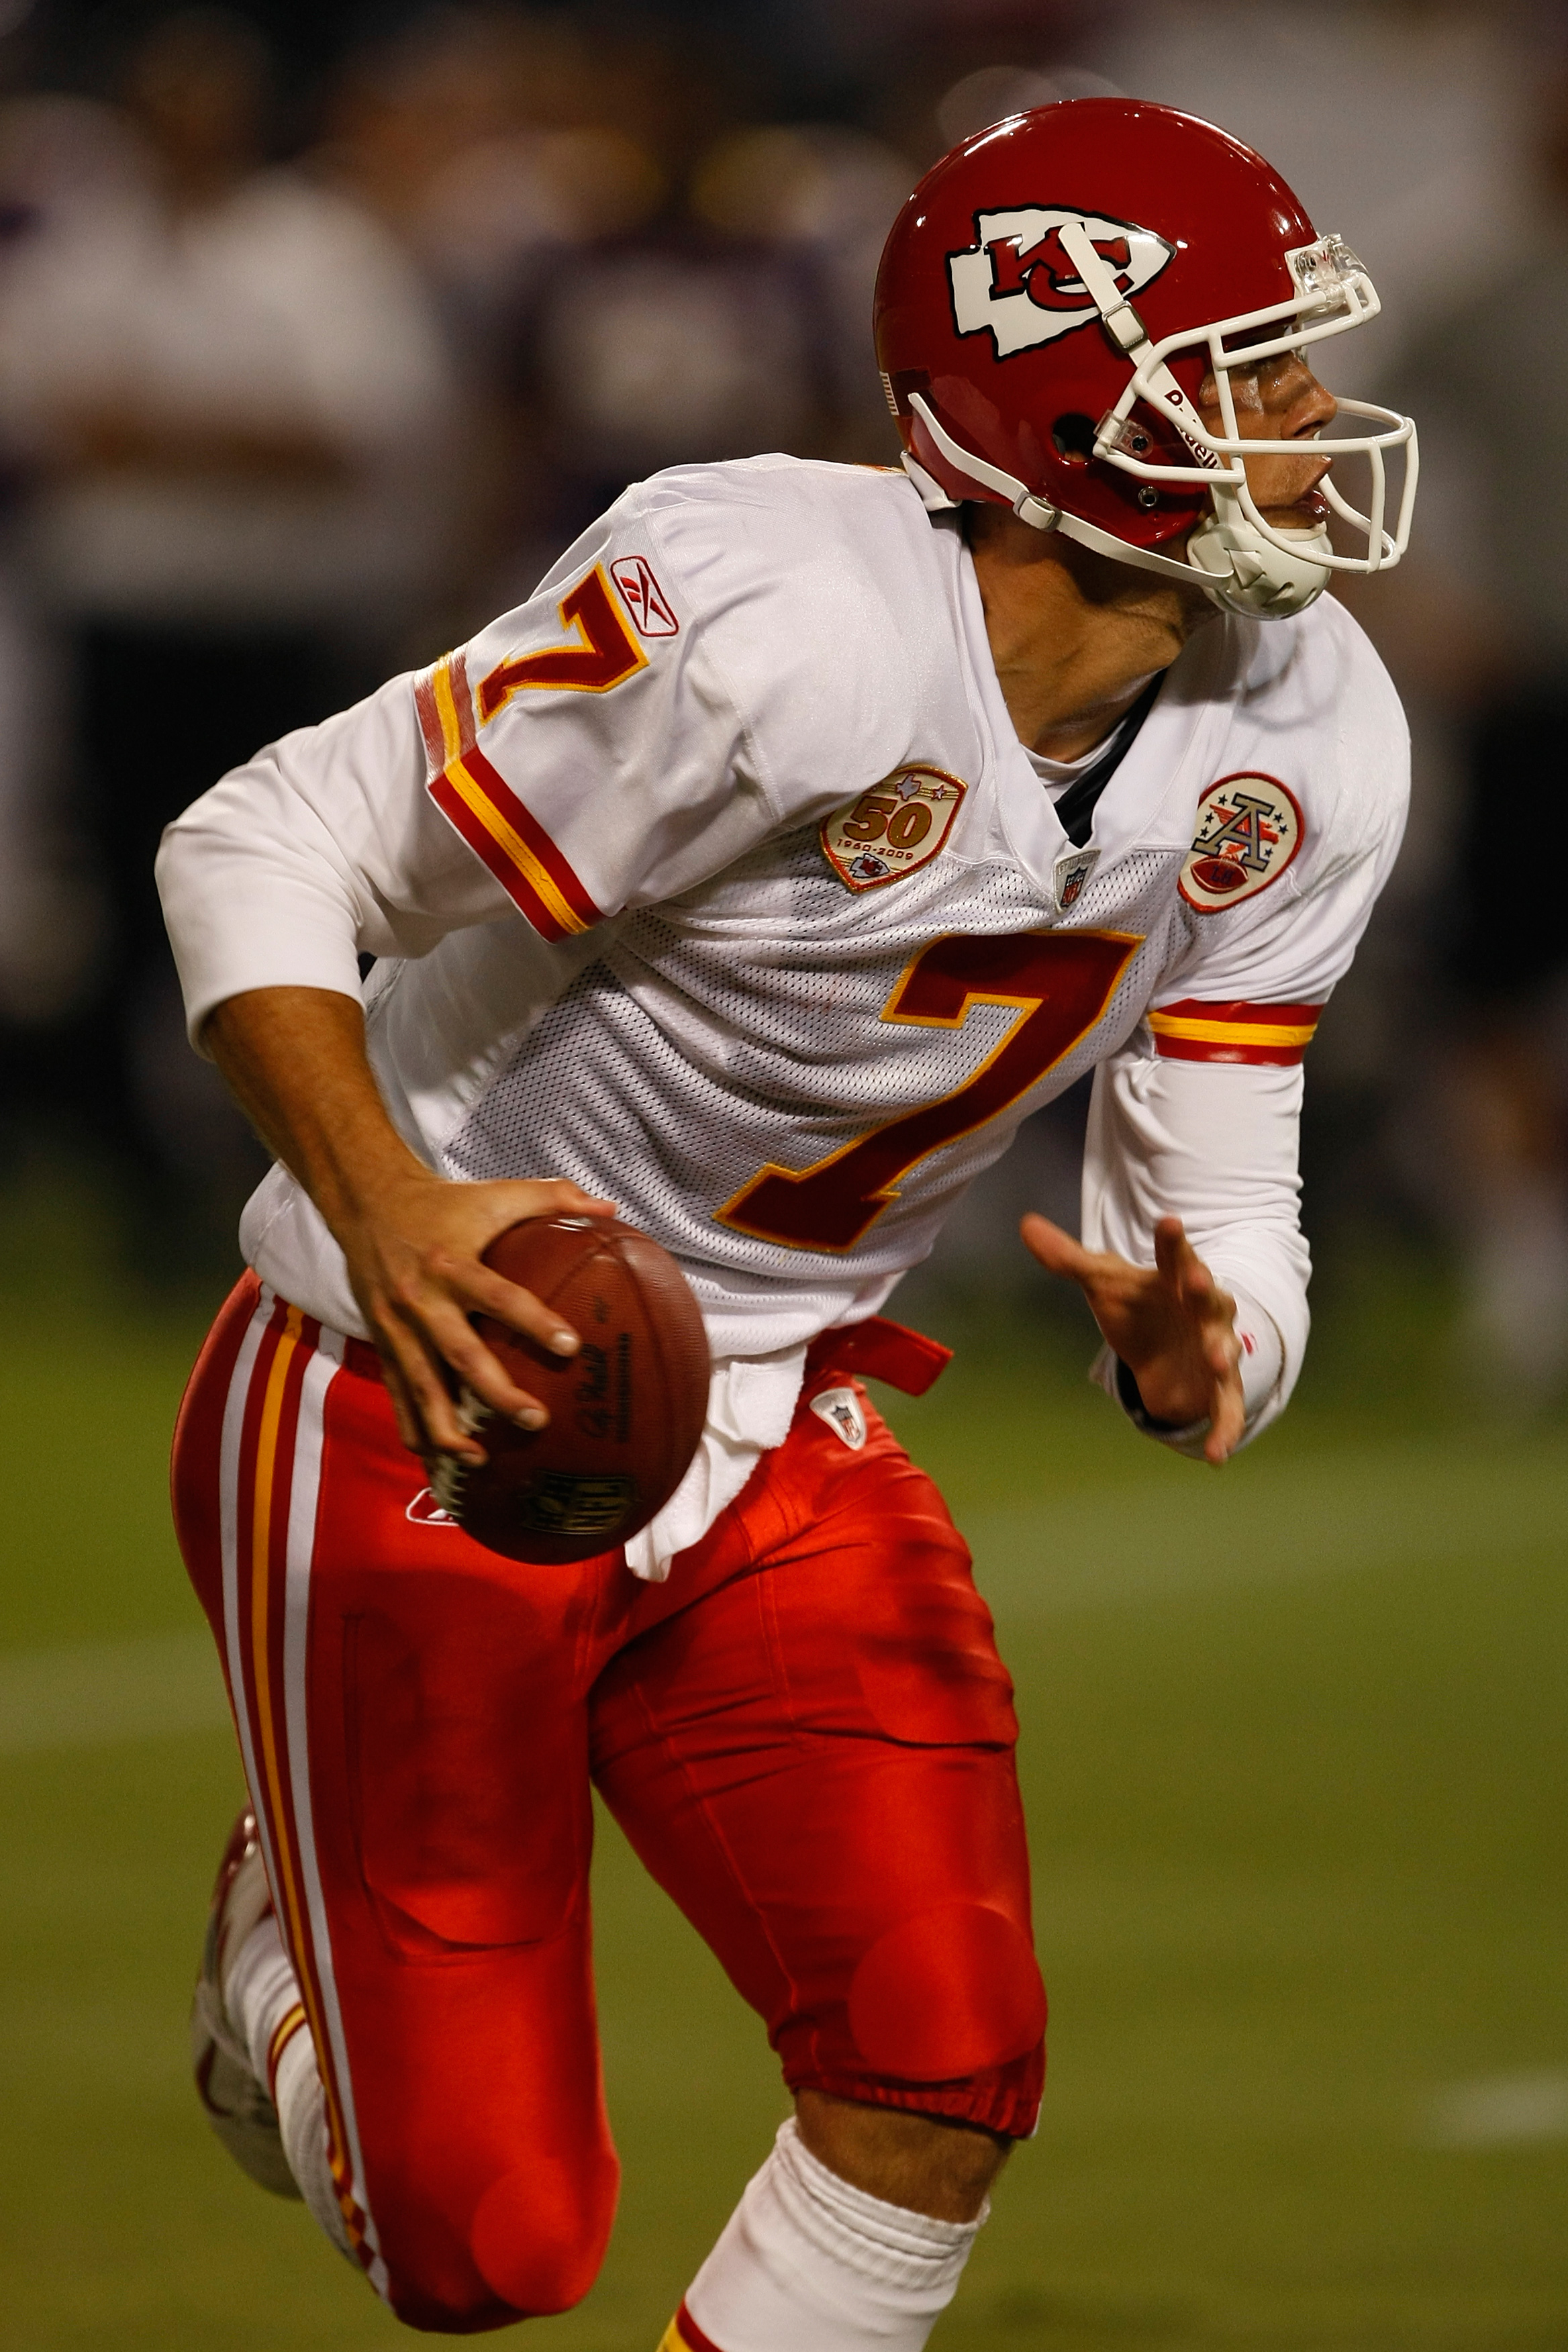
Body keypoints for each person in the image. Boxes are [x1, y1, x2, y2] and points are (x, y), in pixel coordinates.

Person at [157, 101, 1416, 2349]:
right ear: (1058, 424)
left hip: (787, 1399)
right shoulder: (782, 618)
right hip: (423, 1388)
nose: (1316, 427)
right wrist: (395, 1210)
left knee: (945, 2055)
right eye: (1255, 373)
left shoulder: (1309, 730)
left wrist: (1218, 1333)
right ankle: (286, 1954)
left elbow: (1230, 1194)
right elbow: (257, 846)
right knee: (488, 2248)